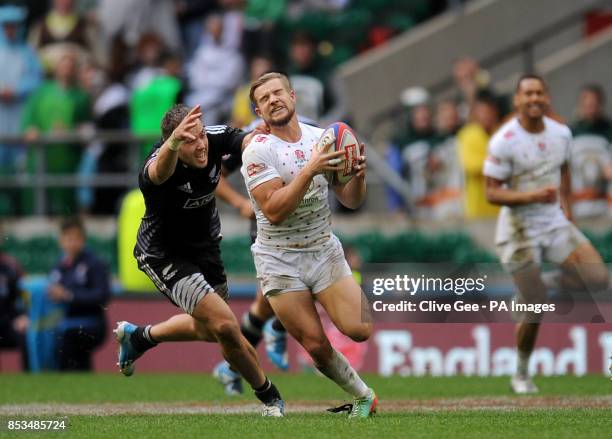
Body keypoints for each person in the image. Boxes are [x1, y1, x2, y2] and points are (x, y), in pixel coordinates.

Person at [113, 104, 285, 417]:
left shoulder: (212, 139)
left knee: (209, 331)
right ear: (174, 144)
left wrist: (261, 140)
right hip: (164, 255)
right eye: (189, 140)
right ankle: (270, 397)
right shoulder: (158, 164)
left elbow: (244, 140)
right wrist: (174, 144)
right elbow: (158, 171)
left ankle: (140, 337)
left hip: (205, 248)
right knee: (226, 327)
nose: (201, 144)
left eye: (201, 134)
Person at [240, 72, 377, 418]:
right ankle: (364, 396)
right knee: (316, 346)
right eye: (264, 98)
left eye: (278, 93)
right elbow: (273, 211)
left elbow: (350, 200)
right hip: (279, 258)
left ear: (293, 97)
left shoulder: (322, 138)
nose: (273, 100)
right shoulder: (257, 150)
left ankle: (278, 325)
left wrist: (357, 178)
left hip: (321, 248)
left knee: (360, 329)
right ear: (258, 110)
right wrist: (310, 169)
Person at [483, 74, 609, 394]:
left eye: (540, 93)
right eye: (528, 94)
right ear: (517, 100)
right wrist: (530, 197)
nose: (535, 98)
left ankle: (545, 282)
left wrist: (569, 213)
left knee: (598, 278)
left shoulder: (562, 133)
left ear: (547, 98)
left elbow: (564, 171)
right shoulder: (504, 140)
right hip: (518, 231)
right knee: (535, 304)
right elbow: (491, 193)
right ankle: (521, 374)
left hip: (553, 224)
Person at [49, 217, 110, 370]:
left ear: (83, 240)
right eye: (68, 238)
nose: (72, 242)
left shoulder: (95, 264)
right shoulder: (58, 267)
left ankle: (68, 382)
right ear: (61, 241)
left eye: (76, 238)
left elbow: (102, 296)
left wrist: (69, 295)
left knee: (69, 339)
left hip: (93, 323)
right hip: (65, 322)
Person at [569, 84, 612, 219]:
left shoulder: (608, 130)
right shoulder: (571, 131)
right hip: (578, 207)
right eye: (587, 105)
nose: (590, 109)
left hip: (604, 206)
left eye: (594, 105)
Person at [0, 223, 29, 370]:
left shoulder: (11, 266)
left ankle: (31, 382)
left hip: (8, 323)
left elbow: (25, 295)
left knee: (28, 337)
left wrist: (25, 315)